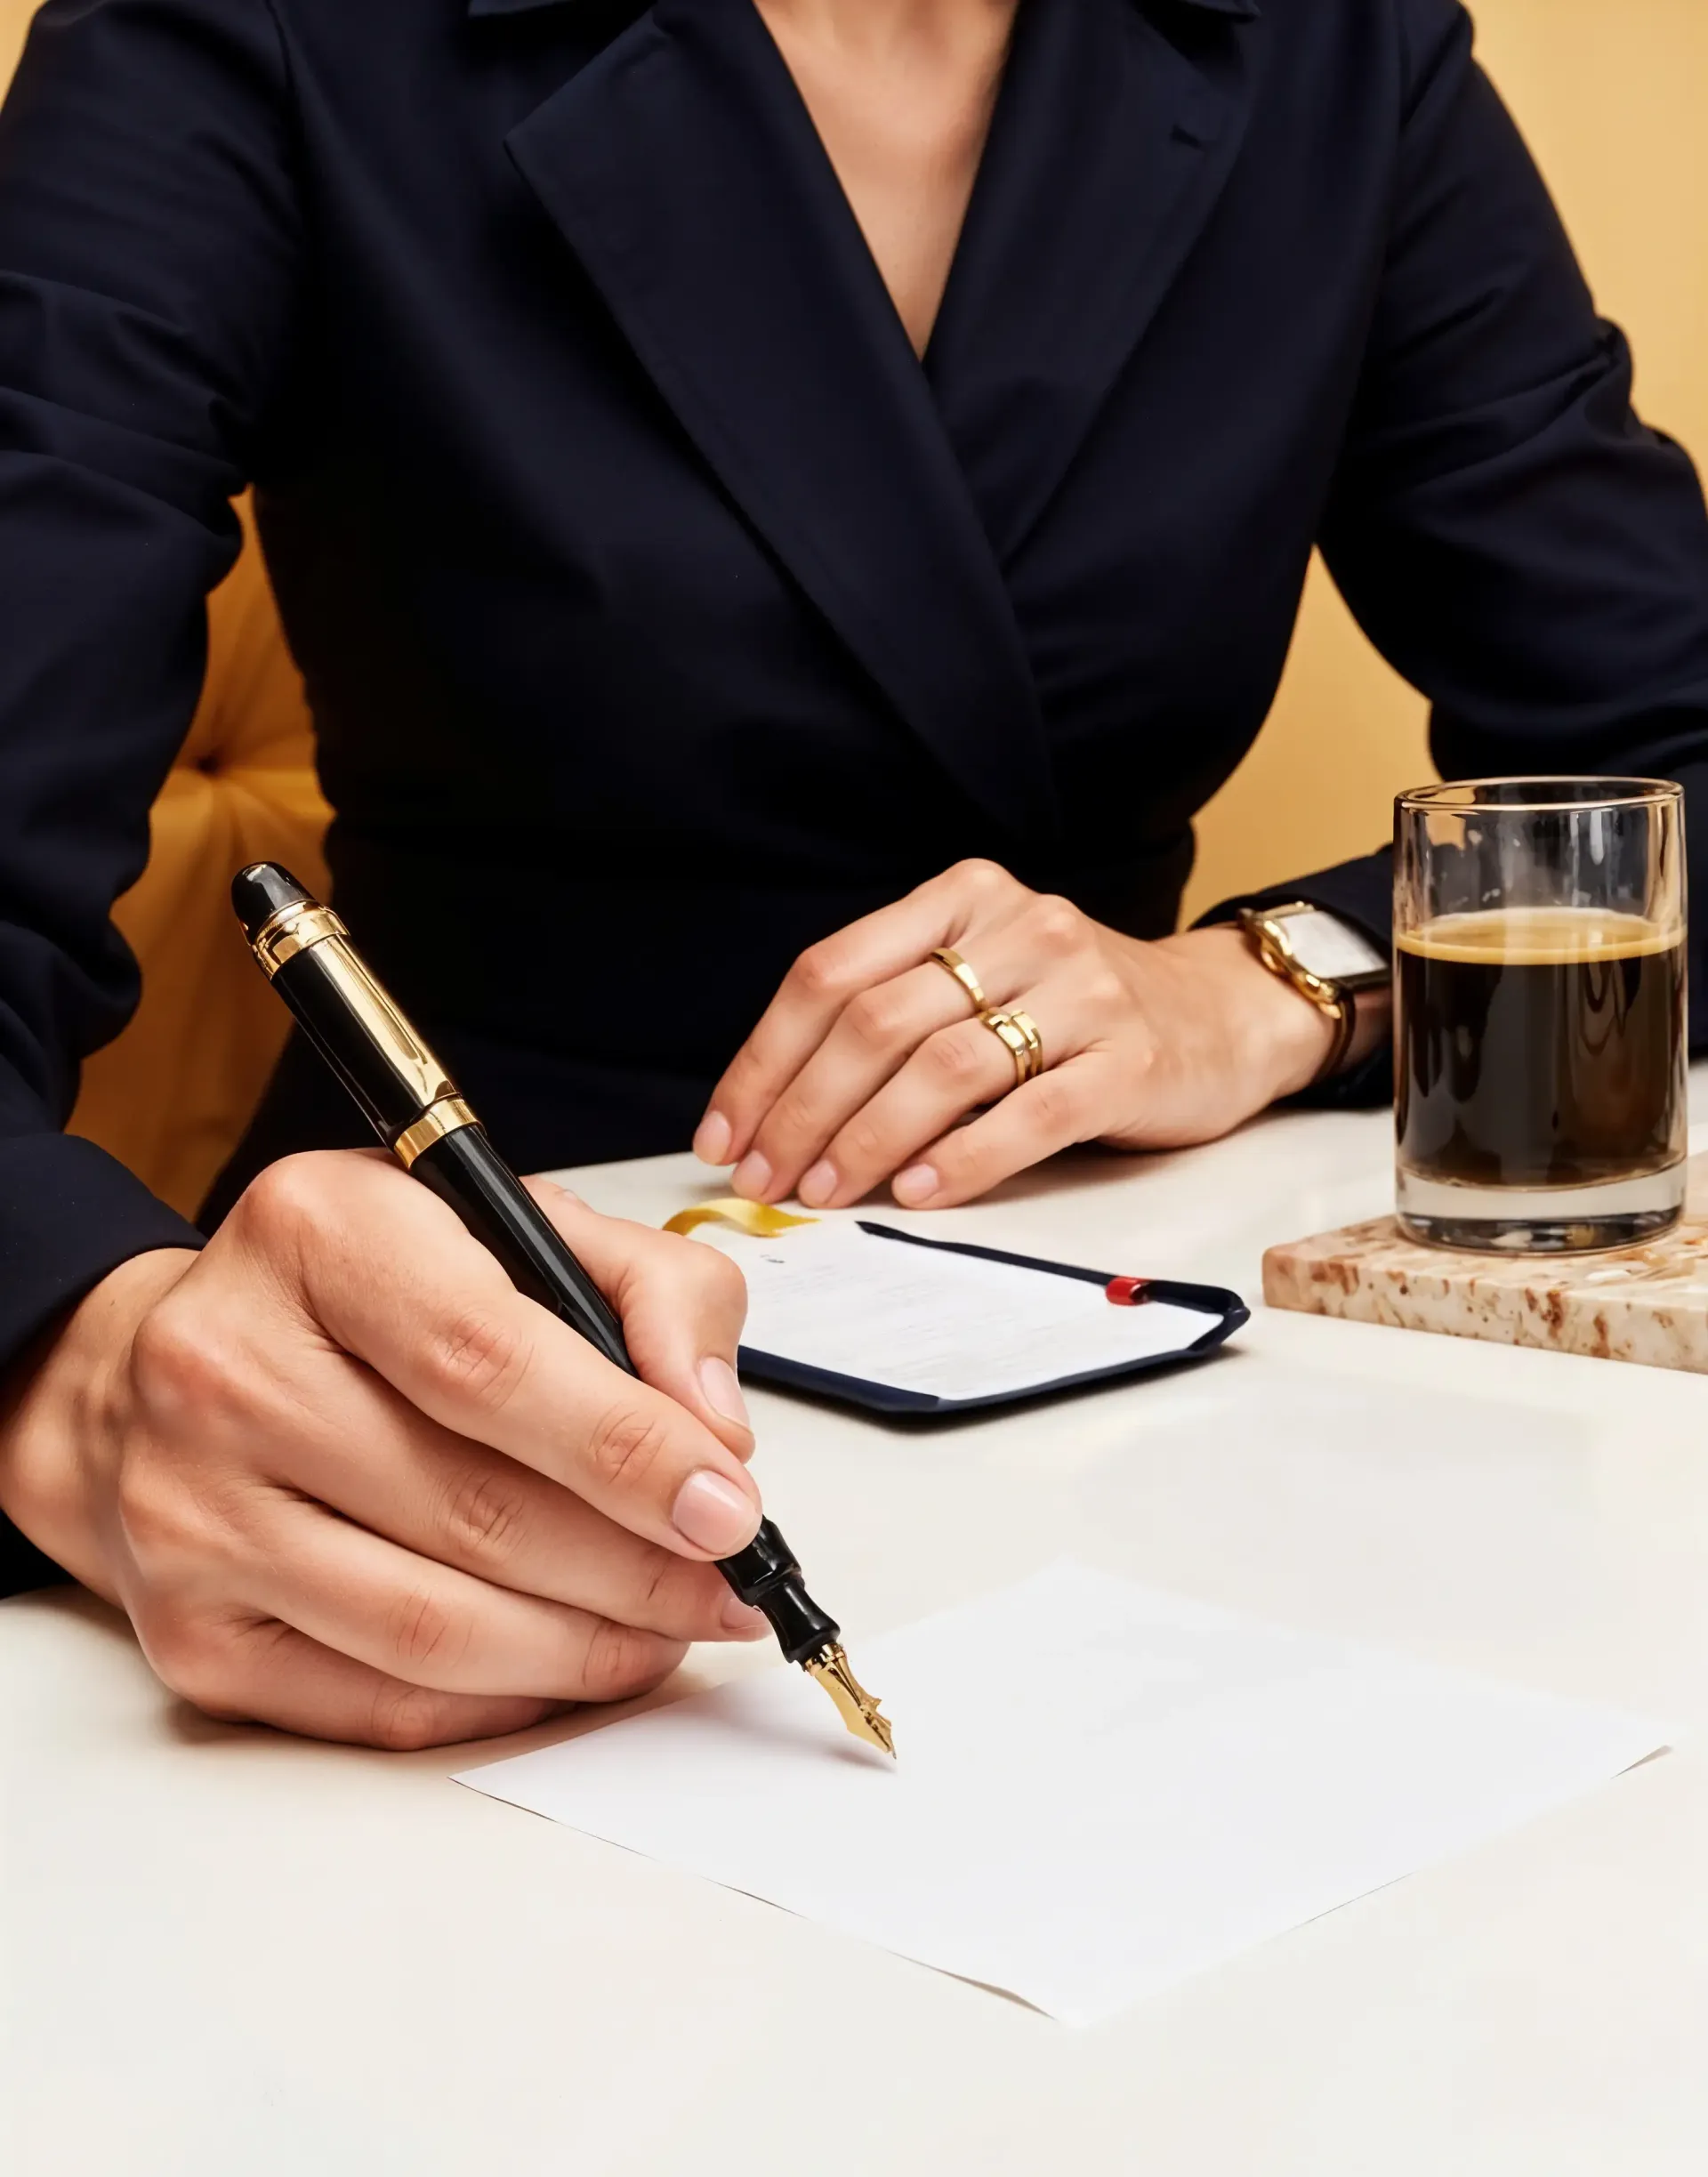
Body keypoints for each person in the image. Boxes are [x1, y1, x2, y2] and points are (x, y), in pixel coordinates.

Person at [1, 0, 1705, 1739]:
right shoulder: (246, 31)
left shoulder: (1333, 50)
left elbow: (1676, 756)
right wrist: (79, 1364)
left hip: (1144, 1395)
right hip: (449, 1370)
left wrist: (1274, 981)